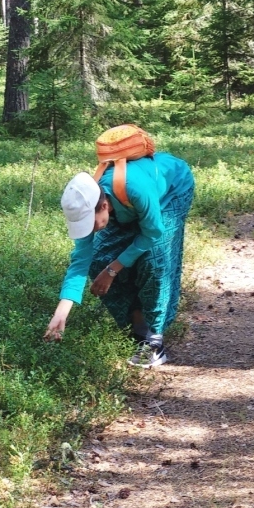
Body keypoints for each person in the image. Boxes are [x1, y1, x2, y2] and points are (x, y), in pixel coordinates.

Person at [44, 148, 195, 369]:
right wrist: (61, 311)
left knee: (154, 258)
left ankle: (154, 341)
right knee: (98, 259)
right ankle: (139, 327)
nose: (90, 230)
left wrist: (113, 270)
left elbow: (153, 233)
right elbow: (81, 259)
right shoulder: (92, 203)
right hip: (129, 204)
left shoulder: (134, 188)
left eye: (90, 224)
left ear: (104, 206)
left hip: (172, 189)